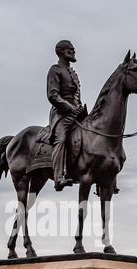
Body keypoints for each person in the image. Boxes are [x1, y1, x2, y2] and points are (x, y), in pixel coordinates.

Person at [47, 40, 85, 191]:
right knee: (60, 138)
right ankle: (58, 177)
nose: (73, 51)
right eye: (70, 49)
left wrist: (80, 108)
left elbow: (77, 96)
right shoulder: (55, 70)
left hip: (76, 112)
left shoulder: (73, 73)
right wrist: (69, 107)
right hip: (61, 113)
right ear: (62, 51)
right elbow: (52, 94)